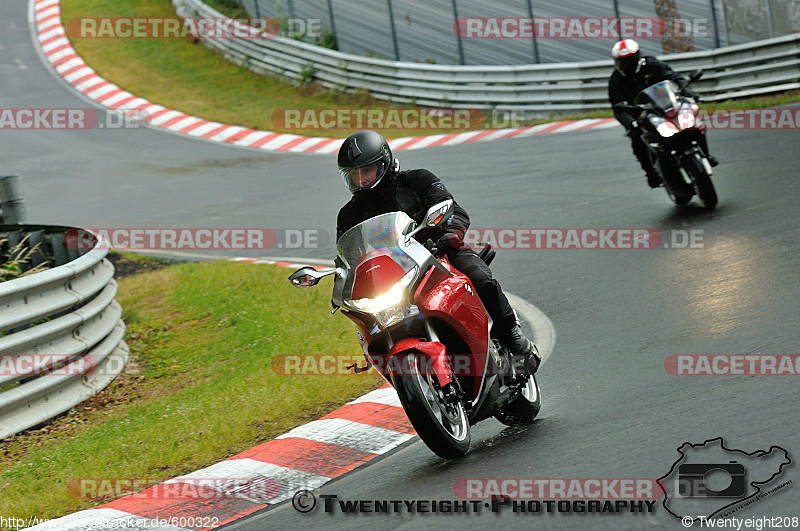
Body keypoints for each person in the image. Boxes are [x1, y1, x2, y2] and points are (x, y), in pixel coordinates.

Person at [335, 130, 540, 373]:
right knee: (370, 321)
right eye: (353, 176)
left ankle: (511, 332)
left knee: (480, 278)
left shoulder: (416, 181)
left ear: (384, 163)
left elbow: (454, 210)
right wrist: (342, 280)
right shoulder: (348, 215)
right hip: (394, 275)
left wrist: (451, 235)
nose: (361, 181)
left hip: (440, 254)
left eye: (366, 171)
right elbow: (347, 254)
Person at [608, 39, 717, 188]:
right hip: (640, 115)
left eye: (629, 61)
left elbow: (673, 76)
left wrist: (687, 90)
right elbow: (618, 107)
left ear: (637, 57)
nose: (625, 65)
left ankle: (706, 154)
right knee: (636, 139)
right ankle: (650, 173)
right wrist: (630, 122)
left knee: (693, 120)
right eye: (621, 61)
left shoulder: (651, 64)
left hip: (666, 105)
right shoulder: (616, 79)